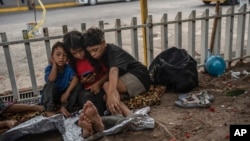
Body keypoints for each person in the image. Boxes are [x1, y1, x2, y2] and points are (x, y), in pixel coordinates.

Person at [82, 27, 151, 117]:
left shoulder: (111, 51)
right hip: (128, 81)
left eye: (95, 50)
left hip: (139, 76)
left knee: (108, 87)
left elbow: (114, 70)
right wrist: (103, 89)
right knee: (106, 98)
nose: (93, 54)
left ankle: (130, 116)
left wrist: (111, 94)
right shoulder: (100, 55)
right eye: (90, 51)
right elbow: (109, 74)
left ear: (103, 43)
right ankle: (121, 119)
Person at [63, 31, 108, 116]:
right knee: (87, 100)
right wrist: (83, 81)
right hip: (85, 90)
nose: (79, 55)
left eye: (80, 50)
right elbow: (75, 82)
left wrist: (98, 83)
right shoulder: (72, 63)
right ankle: (93, 118)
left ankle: (98, 119)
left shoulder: (94, 55)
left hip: (100, 88)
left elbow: (108, 72)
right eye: (74, 53)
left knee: (100, 100)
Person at [41, 41, 82, 117]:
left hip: (64, 96)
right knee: (50, 85)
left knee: (78, 85)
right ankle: (49, 110)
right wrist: (54, 65)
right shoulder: (49, 68)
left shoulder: (67, 68)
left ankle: (65, 107)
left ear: (67, 58)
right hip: (53, 96)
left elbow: (75, 78)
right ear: (52, 56)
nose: (61, 57)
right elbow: (51, 80)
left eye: (65, 55)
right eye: (58, 54)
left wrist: (67, 93)